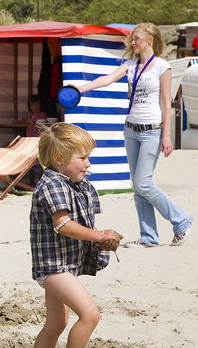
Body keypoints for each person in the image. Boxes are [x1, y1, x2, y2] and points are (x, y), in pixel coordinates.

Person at [23, 123, 122, 348]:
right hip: (53, 267)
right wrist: (99, 236)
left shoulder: (73, 184)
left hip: (62, 263)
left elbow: (80, 224)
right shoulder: (52, 185)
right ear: (59, 158)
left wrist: (101, 239)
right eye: (83, 158)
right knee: (90, 315)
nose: (88, 164)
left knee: (56, 322)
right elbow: (63, 225)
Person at [76, 23, 192, 247]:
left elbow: (167, 103)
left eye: (137, 38)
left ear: (149, 39)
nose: (133, 42)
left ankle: (181, 220)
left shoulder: (162, 66)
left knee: (143, 183)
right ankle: (149, 237)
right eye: (132, 39)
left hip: (152, 131)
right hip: (130, 130)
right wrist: (80, 88)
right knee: (137, 187)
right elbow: (107, 79)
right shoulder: (130, 65)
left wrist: (167, 136)